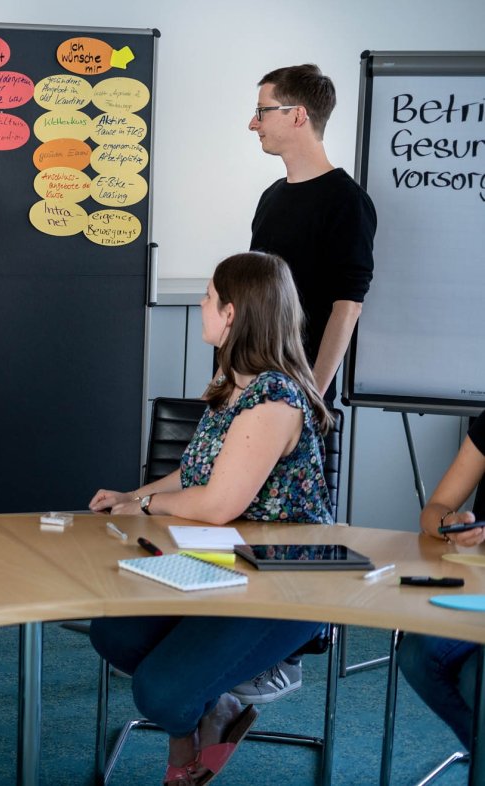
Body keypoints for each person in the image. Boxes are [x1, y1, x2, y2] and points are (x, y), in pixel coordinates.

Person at [87, 251, 333, 786]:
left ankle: (190, 737)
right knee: (113, 634)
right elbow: (192, 473)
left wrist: (145, 507)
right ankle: (215, 707)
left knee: (161, 692)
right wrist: (132, 494)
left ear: (232, 313)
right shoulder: (232, 384)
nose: (200, 305)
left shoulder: (275, 395)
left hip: (285, 581)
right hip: (222, 562)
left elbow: (218, 503)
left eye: (206, 297)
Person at [241, 62, 376, 704]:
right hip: (257, 385)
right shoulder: (273, 197)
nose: (253, 122)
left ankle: (291, 655)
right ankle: (243, 643)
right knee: (250, 520)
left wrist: (312, 395)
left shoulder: (346, 201)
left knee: (299, 533)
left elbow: (347, 304)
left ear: (299, 115)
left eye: (263, 110)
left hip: (304, 394)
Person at [397, 412, 485, 751]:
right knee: (416, 654)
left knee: (475, 678)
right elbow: (433, 511)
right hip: (476, 586)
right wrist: (452, 524)